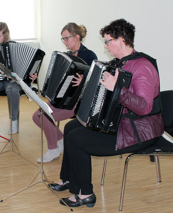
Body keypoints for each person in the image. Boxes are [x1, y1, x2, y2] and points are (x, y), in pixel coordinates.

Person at [50, 19, 164, 208]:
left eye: (107, 41)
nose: (105, 46)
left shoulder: (142, 66)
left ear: (121, 40)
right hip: (122, 122)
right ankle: (70, 179)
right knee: (71, 127)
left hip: (138, 131)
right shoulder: (120, 63)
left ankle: (85, 193)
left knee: (77, 140)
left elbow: (144, 107)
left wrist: (117, 89)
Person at [33, 23, 97, 163]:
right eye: (63, 39)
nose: (64, 42)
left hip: (79, 103)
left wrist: (84, 81)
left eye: (66, 38)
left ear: (77, 37)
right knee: (36, 116)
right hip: (63, 99)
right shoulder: (66, 56)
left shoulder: (89, 55)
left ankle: (53, 149)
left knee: (45, 116)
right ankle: (60, 139)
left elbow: (96, 82)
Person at [0, 22, 36, 134]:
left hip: (11, 80)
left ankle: (14, 121)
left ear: (6, 35)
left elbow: (27, 64)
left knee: (12, 90)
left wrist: (32, 75)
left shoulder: (14, 45)